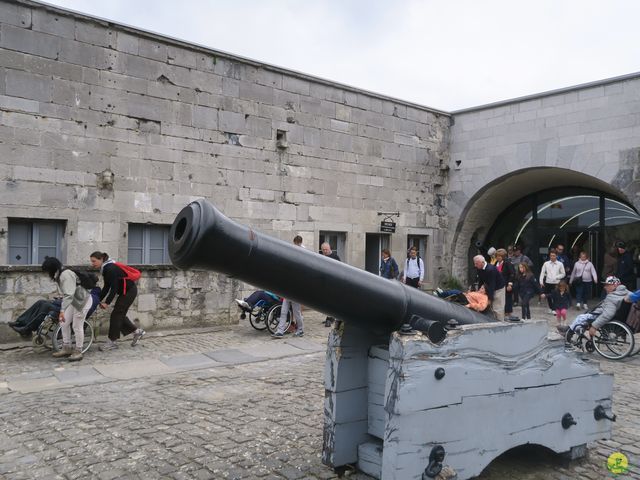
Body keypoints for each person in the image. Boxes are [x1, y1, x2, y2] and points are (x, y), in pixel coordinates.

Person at [89, 251, 145, 350]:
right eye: (91, 261)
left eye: (94, 261)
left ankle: (112, 342)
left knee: (116, 314)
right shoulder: (106, 268)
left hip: (129, 291)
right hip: (126, 292)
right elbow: (106, 287)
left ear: (101, 259)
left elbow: (114, 288)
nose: (92, 264)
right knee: (119, 314)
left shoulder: (110, 269)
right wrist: (96, 300)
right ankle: (137, 332)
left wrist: (107, 303)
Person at [41, 257, 92, 362]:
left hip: (82, 301)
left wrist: (62, 311)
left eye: (47, 270)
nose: (47, 273)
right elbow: (68, 294)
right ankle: (66, 347)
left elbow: (69, 294)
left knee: (77, 326)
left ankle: (78, 351)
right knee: (63, 323)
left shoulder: (65, 274)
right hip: (74, 301)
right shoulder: (59, 274)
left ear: (52, 268)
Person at [563, 276, 629, 345]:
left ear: (614, 285)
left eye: (607, 285)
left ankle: (568, 333)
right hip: (612, 315)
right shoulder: (626, 292)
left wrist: (594, 326)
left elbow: (607, 315)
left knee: (581, 317)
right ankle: (569, 329)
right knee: (585, 315)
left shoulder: (612, 297)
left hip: (601, 315)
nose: (604, 287)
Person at [272, 237, 305, 338]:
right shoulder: (292, 254)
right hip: (288, 289)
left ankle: (300, 329)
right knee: (284, 311)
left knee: (296, 312)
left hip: (295, 290)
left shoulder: (303, 254)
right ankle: (280, 331)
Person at [473, 255, 506, 320]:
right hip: (489, 287)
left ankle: (500, 322)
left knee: (497, 308)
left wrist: (490, 298)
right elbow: (481, 281)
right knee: (490, 307)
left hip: (498, 288)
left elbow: (492, 284)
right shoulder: (479, 268)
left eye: (476, 263)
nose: (475, 265)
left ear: (482, 262)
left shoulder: (491, 269)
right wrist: (479, 292)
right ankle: (492, 321)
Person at [320, 242, 341, 326]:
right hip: (326, 282)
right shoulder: (322, 257)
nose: (325, 251)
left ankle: (332, 317)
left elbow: (340, 269)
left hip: (334, 282)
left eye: (326, 249)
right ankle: (329, 317)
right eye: (323, 250)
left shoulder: (335, 257)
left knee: (333, 301)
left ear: (329, 249)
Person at [539, 250, 565, 315]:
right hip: (548, 282)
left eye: (553, 256)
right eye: (551, 255)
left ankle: (554, 308)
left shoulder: (560, 264)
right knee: (548, 296)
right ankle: (551, 308)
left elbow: (563, 273)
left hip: (556, 283)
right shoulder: (546, 263)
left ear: (556, 256)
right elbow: (542, 272)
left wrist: (557, 277)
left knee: (555, 296)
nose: (552, 257)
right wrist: (541, 281)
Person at [495, 248, 515, 317]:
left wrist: (510, 284)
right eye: (497, 256)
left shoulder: (507, 263)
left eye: (499, 256)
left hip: (506, 284)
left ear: (503, 256)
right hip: (498, 284)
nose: (498, 257)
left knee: (507, 299)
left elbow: (512, 274)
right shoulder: (496, 263)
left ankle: (507, 313)